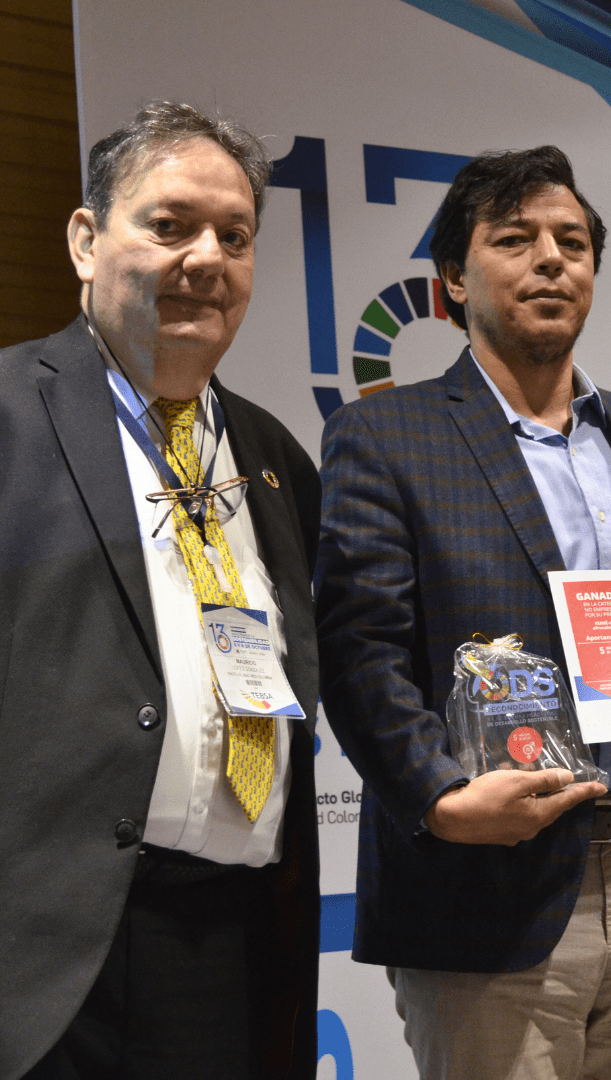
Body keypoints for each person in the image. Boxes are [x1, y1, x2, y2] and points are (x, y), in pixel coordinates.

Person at [316, 146, 611, 1079]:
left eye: (572, 242)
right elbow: (361, 652)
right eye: (515, 239)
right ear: (454, 279)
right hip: (485, 880)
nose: (551, 260)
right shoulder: (384, 434)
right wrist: (442, 799)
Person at [0, 102, 321, 1080]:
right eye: (170, 225)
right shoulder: (8, 416)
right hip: (42, 960)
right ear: (86, 241)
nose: (207, 258)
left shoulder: (274, 456)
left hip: (230, 946)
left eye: (235, 236)